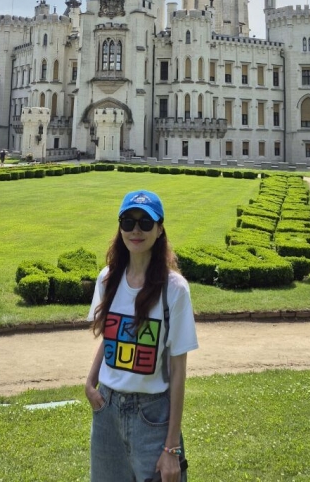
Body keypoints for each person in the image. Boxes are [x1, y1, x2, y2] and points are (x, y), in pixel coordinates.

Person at [86, 190, 198, 482]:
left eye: (146, 223)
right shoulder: (108, 278)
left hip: (153, 416)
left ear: (160, 230)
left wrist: (171, 447)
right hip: (107, 411)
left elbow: (178, 370)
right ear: (120, 227)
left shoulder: (174, 289)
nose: (136, 230)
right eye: (128, 221)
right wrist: (89, 382)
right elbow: (111, 336)